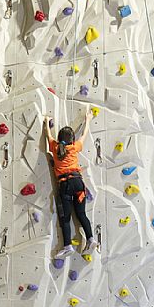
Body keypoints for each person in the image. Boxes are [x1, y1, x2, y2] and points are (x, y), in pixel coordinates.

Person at [44, 108, 95, 259]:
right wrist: (88, 120)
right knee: (81, 214)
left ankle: (68, 246)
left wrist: (47, 122)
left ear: (60, 140)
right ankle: (91, 239)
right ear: (72, 140)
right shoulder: (75, 147)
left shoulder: (55, 147)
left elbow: (48, 135)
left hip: (65, 185)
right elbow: (84, 135)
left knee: (65, 217)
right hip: (78, 183)